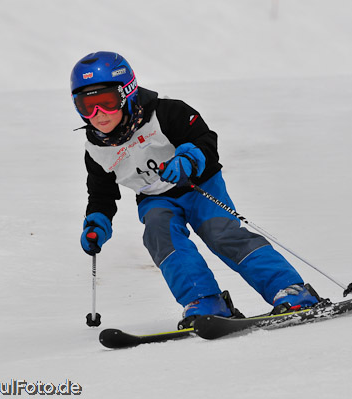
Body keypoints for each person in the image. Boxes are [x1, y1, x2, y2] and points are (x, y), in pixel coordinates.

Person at [71, 51, 319, 328]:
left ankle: (290, 289)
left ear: (127, 93)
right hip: (155, 198)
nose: (98, 114)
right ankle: (204, 301)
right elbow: (101, 194)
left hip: (198, 185)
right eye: (86, 105)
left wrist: (187, 159)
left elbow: (205, 140)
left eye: (107, 102)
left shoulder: (167, 113)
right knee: (160, 236)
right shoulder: (96, 150)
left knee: (220, 232)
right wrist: (97, 222)